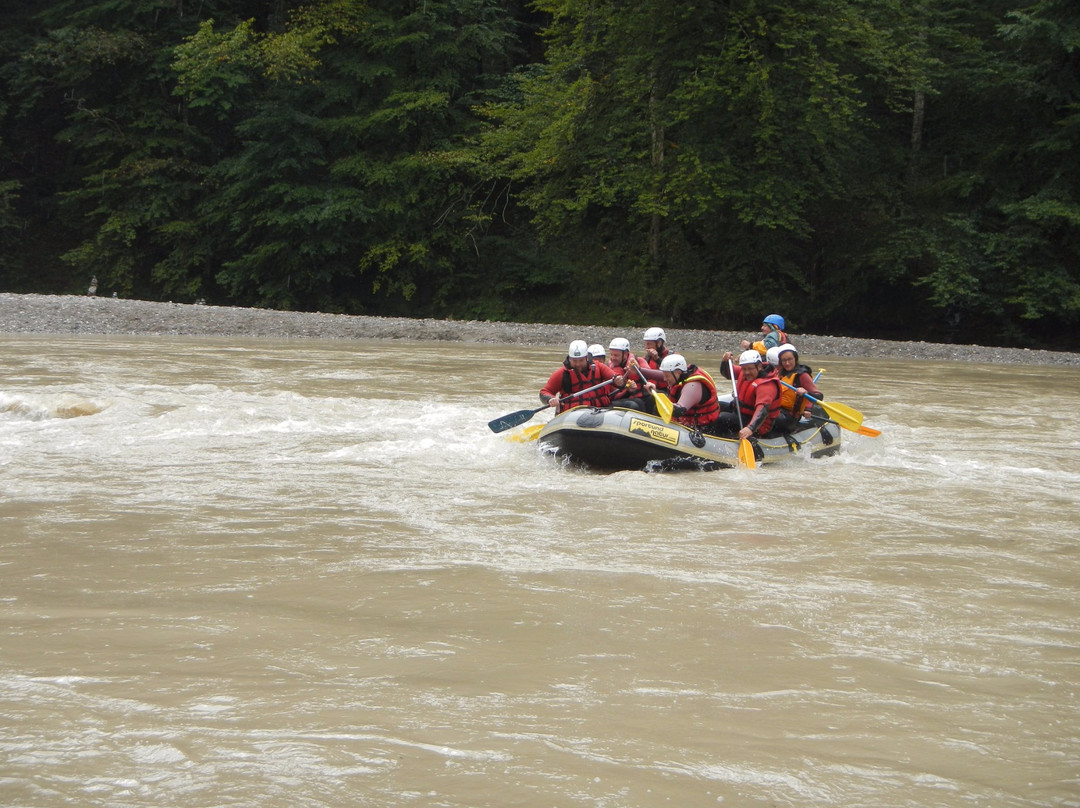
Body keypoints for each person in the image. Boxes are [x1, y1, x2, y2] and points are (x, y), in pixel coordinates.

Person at [540, 339, 625, 413]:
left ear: (587, 358)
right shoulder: (562, 373)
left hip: (599, 411)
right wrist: (550, 399)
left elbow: (616, 378)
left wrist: (619, 380)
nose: (577, 364)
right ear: (569, 359)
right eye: (574, 360)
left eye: (581, 360)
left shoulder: (599, 367)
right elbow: (544, 392)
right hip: (572, 414)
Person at [643, 354, 721, 433]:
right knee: (652, 403)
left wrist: (656, 394)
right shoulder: (679, 376)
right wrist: (639, 370)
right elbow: (662, 376)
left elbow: (678, 410)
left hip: (702, 430)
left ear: (678, 372)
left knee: (655, 406)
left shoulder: (693, 386)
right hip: (688, 425)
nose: (664, 379)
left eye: (666, 376)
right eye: (664, 375)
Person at [717, 349, 781, 440]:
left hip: (758, 424)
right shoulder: (745, 372)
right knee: (716, 406)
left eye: (750, 369)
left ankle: (723, 439)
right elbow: (727, 373)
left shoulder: (767, 385)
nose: (746, 372)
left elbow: (762, 410)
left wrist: (750, 428)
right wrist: (725, 362)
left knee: (722, 418)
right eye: (744, 369)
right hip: (741, 412)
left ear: (759, 366)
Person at [769, 343, 823, 432]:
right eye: (784, 360)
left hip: (790, 417)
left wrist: (806, 395)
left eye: (790, 359)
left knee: (769, 416)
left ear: (795, 358)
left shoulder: (802, 375)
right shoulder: (779, 374)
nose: (787, 363)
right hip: (777, 410)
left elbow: (819, 395)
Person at [605, 337, 647, 410]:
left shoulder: (639, 361)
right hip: (618, 399)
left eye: (616, 355)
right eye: (611, 354)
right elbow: (613, 394)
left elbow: (649, 376)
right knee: (635, 404)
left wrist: (638, 370)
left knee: (647, 400)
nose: (612, 358)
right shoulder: (608, 368)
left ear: (625, 354)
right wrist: (627, 390)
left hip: (636, 396)